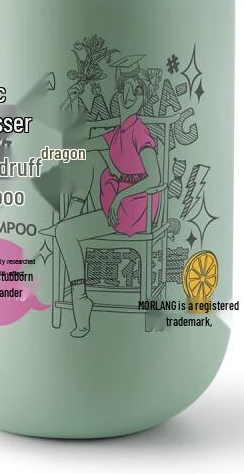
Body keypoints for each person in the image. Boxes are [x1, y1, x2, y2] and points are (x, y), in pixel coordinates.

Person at [54, 55, 161, 337]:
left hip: (136, 207)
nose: (128, 95)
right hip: (117, 202)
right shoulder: (117, 133)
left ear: (143, 98)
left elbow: (155, 178)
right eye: (124, 88)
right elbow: (77, 147)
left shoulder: (140, 133)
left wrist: (118, 198)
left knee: (65, 231)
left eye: (136, 91)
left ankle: (80, 300)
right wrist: (69, 104)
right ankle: (81, 296)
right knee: (89, 159)